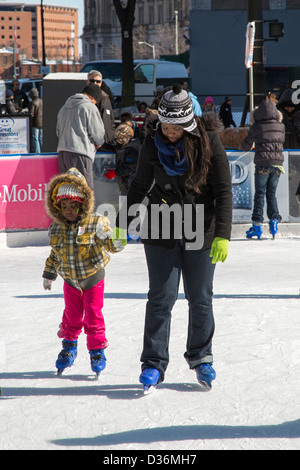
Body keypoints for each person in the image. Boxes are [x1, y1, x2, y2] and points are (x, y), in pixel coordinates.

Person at [117, 83, 232, 392]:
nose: (169, 132)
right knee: (160, 298)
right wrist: (120, 223)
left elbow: (223, 190)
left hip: (201, 229)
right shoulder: (152, 144)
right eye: (165, 125)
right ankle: (153, 363)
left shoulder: (209, 142)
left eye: (176, 127)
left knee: (200, 298)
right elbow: (139, 185)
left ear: (188, 122)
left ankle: (201, 357)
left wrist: (223, 235)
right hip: (160, 228)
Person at [42, 167, 126, 376]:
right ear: (57, 206)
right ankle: (69, 347)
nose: (68, 210)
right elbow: (55, 254)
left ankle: (97, 351)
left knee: (93, 316)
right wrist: (49, 273)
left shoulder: (97, 222)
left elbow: (113, 247)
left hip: (92, 278)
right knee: (71, 316)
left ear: (83, 203)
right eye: (64, 206)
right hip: (70, 281)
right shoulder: (56, 228)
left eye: (73, 205)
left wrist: (117, 236)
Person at [242, 94, 285, 239]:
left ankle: (257, 227)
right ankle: (273, 223)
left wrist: (247, 146)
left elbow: (246, 145)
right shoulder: (281, 126)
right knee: (271, 193)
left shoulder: (257, 126)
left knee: (260, 193)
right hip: (278, 165)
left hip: (263, 164)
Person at [56, 83, 105, 189]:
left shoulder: (64, 107)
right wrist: (99, 143)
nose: (95, 105)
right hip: (81, 153)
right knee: (84, 191)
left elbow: (58, 131)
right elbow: (98, 134)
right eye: (95, 102)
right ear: (92, 97)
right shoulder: (89, 107)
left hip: (63, 154)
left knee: (67, 191)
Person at [87, 70, 116, 149]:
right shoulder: (84, 99)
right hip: (91, 144)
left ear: (101, 83)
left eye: (98, 81)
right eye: (92, 81)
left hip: (107, 142)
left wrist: (111, 136)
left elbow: (111, 120)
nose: (95, 83)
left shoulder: (106, 98)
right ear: (87, 82)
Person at [114, 124, 141, 195]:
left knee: (129, 203)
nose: (118, 140)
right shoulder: (125, 146)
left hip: (131, 184)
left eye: (121, 137)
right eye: (117, 137)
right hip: (126, 184)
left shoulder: (132, 149)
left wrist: (116, 173)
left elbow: (130, 166)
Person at [28, 88, 43, 153]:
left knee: (35, 138)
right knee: (40, 138)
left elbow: (31, 114)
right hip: (42, 122)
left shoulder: (33, 102)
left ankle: (37, 152)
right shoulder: (42, 101)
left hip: (35, 122)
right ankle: (42, 151)